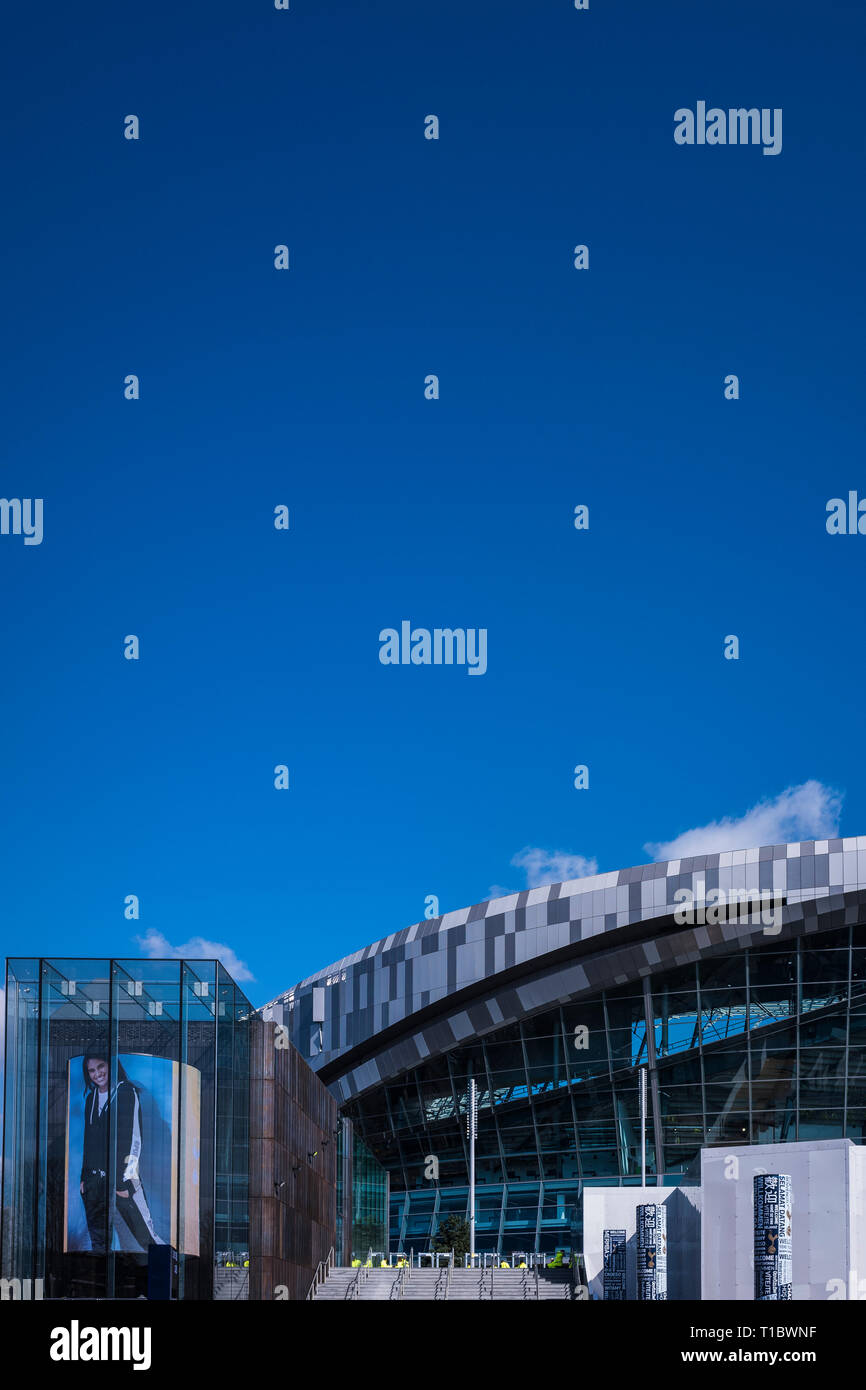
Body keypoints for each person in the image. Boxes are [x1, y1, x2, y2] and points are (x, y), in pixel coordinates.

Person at [79, 1052, 163, 1253]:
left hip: (121, 1180)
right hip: (94, 1182)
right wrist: (84, 1177)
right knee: (99, 1244)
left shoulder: (126, 1092)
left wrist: (123, 1181)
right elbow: (88, 1141)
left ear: (111, 1065)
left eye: (101, 1067)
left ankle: (172, 1276)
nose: (97, 1074)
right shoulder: (91, 1098)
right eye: (91, 1070)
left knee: (146, 1238)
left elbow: (134, 1140)